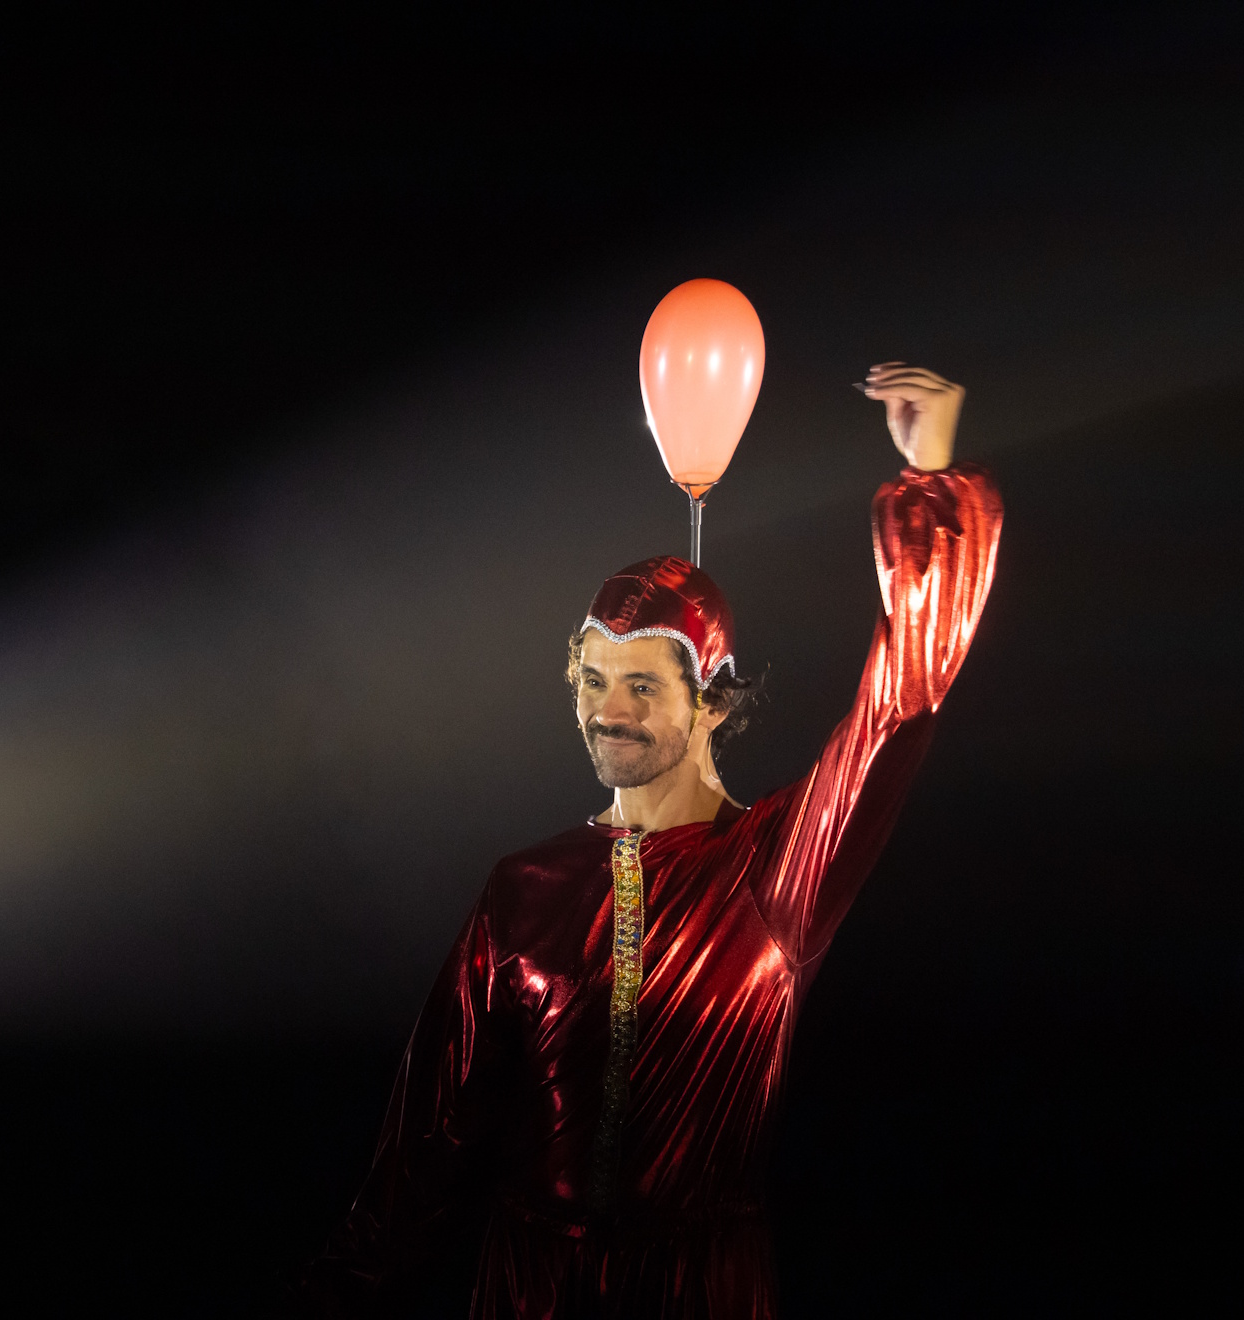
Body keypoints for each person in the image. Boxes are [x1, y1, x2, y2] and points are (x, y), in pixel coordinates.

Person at [294, 363, 1004, 1318]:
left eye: (641, 686)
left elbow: (899, 708)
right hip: (529, 1293)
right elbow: (432, 1131)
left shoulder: (777, 868)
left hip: (698, 1291)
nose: (607, 712)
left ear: (711, 700)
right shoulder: (525, 886)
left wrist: (932, 488)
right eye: (592, 681)